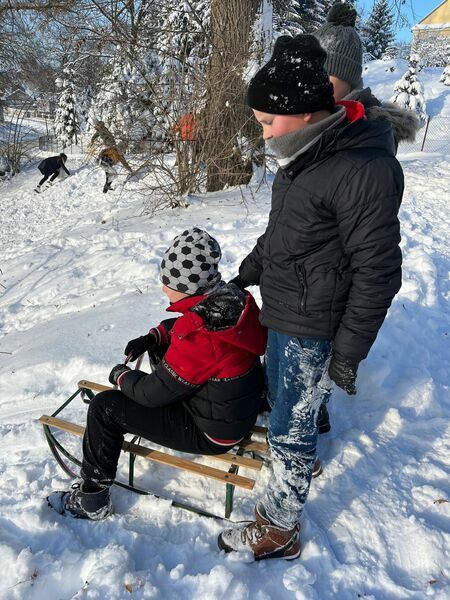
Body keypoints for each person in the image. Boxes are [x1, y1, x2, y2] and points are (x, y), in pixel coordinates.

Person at [218, 34, 404, 561]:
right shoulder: (305, 152)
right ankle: (287, 470)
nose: (263, 132)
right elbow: (287, 233)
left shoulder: (359, 168)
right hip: (286, 310)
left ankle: (279, 527)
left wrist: (347, 353)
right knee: (284, 411)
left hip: (314, 324)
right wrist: (246, 273)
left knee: (291, 425)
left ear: (302, 113)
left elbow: (378, 269)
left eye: (266, 121)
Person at [47, 227, 267, 520]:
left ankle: (91, 499)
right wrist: (155, 336)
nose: (164, 287)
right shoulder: (231, 301)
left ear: (187, 286)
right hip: (233, 408)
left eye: (168, 281)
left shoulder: (198, 336)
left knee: (105, 407)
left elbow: (150, 394)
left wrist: (121, 376)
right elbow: (187, 324)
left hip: (213, 431)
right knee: (162, 352)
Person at [312, 1, 420, 435]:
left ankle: (305, 436)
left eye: (327, 75)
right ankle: (309, 413)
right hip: (305, 288)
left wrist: (348, 352)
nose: (317, 84)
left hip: (327, 294)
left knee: (309, 377)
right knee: (300, 380)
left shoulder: (361, 145)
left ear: (350, 78)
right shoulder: (322, 126)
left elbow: (377, 264)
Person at [314, 2, 420, 147]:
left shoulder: (368, 137)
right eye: (308, 73)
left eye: (325, 73)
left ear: (349, 78)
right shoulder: (311, 117)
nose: (313, 82)